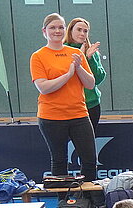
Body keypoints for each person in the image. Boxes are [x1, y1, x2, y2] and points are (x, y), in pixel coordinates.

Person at [29, 12, 98, 181]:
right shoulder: (38, 56)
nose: (57, 31)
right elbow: (44, 87)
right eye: (52, 28)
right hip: (51, 117)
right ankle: (63, 197)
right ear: (44, 31)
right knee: (59, 161)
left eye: (60, 27)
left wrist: (78, 68)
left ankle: (89, 196)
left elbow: (90, 84)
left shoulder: (76, 53)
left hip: (79, 115)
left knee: (90, 161)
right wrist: (68, 75)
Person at [65, 17, 105, 177]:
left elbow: (98, 78)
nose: (82, 33)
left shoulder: (91, 52)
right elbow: (67, 76)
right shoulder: (63, 50)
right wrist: (81, 57)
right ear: (70, 31)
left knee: (88, 150)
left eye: (85, 31)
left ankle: (88, 184)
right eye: (79, 30)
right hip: (70, 106)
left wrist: (89, 59)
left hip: (91, 105)